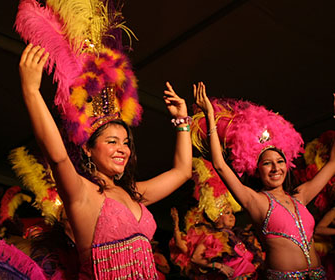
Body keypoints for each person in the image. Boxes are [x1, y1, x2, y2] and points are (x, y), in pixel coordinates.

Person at [18, 43, 192, 279]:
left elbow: (182, 171)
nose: (123, 149)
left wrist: (182, 122)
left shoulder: (134, 194)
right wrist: (31, 91)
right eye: (112, 142)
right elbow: (58, 157)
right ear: (88, 150)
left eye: (126, 143)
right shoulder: (81, 192)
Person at [193, 82, 335, 279]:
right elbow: (220, 165)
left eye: (280, 162)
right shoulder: (257, 201)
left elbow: (332, 163)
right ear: (257, 171)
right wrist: (210, 117)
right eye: (268, 164)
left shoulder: (301, 196)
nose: (276, 168)